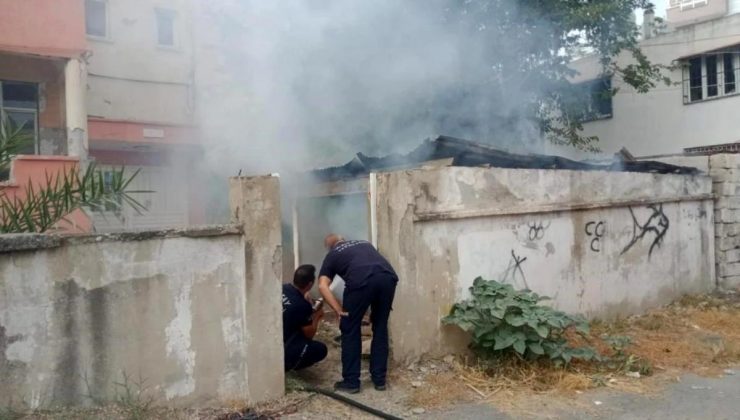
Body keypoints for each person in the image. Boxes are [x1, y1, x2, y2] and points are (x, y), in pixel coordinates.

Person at [317, 234, 398, 394]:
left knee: (349, 328)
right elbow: (370, 266)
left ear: (329, 247)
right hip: (388, 278)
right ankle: (379, 379)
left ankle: (351, 382)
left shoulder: (332, 255)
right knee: (380, 327)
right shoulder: (364, 243)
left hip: (361, 281)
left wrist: (338, 310)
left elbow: (322, 286)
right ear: (344, 240)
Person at [282, 264, 328, 371]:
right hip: (284, 350)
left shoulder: (283, 288)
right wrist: (317, 316)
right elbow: (309, 334)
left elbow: (292, 308)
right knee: (321, 349)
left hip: (275, 337)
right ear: (310, 284)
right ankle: (291, 365)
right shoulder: (302, 306)